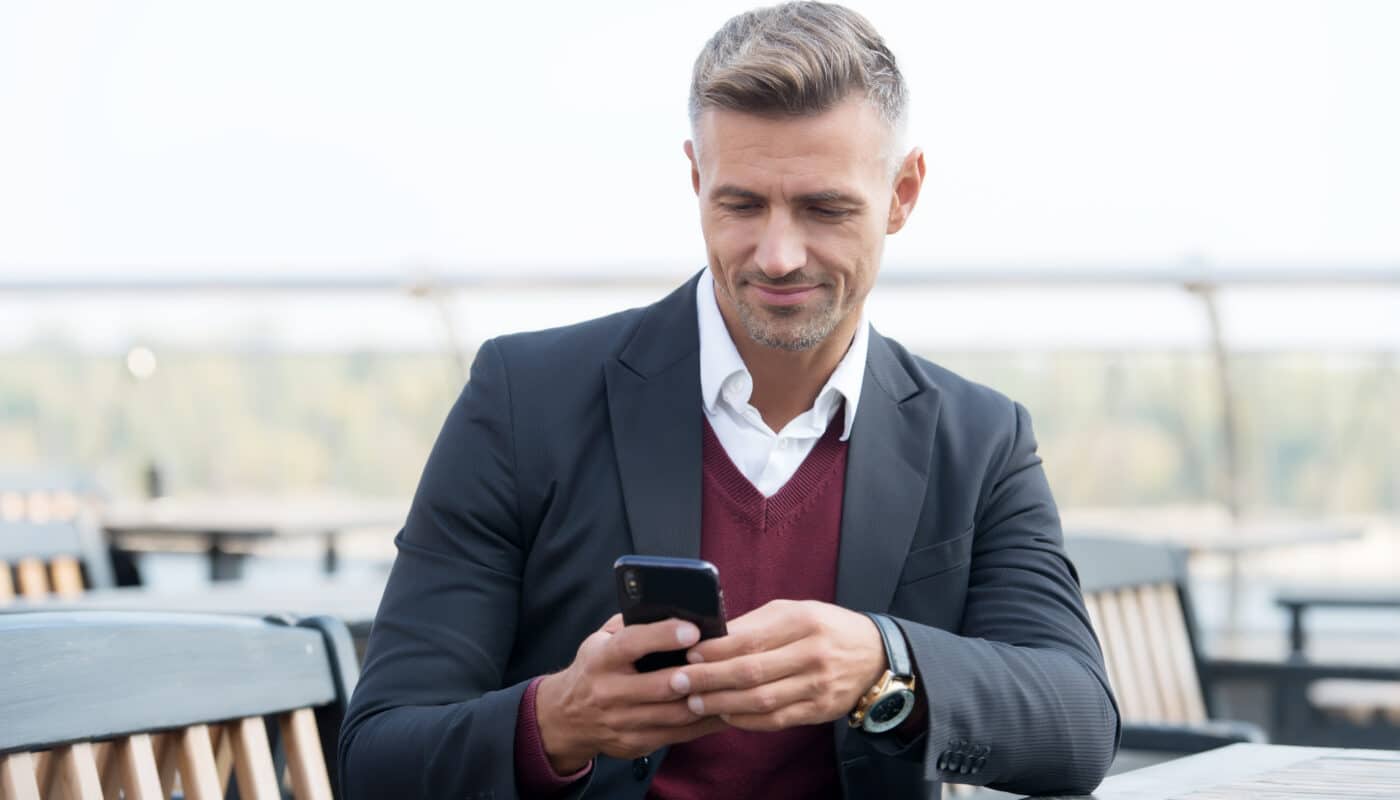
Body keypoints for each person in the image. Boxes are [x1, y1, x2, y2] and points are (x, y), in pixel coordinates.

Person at [339, 3, 1119, 797]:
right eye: (741, 205)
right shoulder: (521, 400)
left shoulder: (980, 438)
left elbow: (1078, 725)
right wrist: (556, 721)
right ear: (695, 179)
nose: (778, 257)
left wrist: (884, 663)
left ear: (903, 193)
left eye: (825, 208)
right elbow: (377, 757)